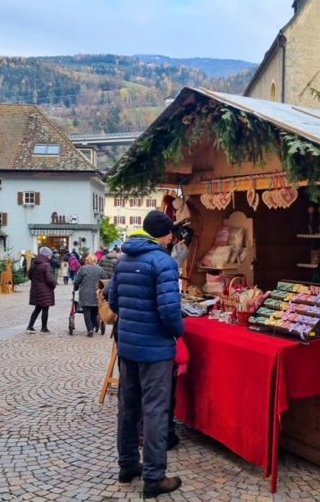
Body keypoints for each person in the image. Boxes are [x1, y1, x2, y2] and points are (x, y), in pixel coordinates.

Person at [109, 210, 184, 498]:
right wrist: (178, 332)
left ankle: (128, 464)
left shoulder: (124, 259)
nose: (171, 238)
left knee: (128, 406)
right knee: (155, 410)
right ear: (164, 235)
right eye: (170, 234)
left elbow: (114, 301)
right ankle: (154, 477)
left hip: (128, 345)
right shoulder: (164, 262)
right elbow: (169, 310)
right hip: (155, 349)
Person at [73, 254, 107, 337]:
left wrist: (76, 288)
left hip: (85, 293)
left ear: (87, 261)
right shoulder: (100, 269)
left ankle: (90, 329)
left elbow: (77, 281)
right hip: (96, 293)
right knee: (95, 312)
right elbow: (104, 281)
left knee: (87, 312)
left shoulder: (83, 269)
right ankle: (94, 325)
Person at [27, 246, 56, 333]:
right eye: (50, 255)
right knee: (45, 308)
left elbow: (30, 276)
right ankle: (44, 327)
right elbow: (49, 279)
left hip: (36, 289)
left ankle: (30, 326)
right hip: (45, 290)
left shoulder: (34, 263)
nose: (50, 257)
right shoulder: (46, 265)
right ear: (47, 255)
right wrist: (53, 285)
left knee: (37, 308)